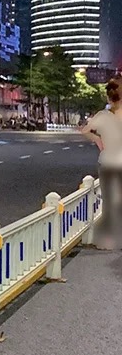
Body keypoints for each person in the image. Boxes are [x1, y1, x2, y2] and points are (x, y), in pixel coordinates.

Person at [81, 77, 122, 249]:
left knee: (109, 201)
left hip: (107, 163)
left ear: (108, 97)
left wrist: (98, 140)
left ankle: (109, 240)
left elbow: (85, 130)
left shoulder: (102, 116)